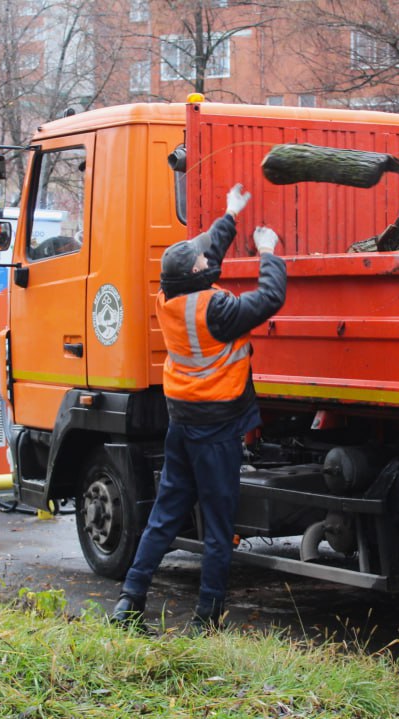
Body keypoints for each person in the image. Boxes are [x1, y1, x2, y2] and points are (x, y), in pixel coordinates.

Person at [111, 182, 286, 630]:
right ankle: (208, 616)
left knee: (165, 514)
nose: (208, 258)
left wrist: (229, 216)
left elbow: (204, 259)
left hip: (181, 421)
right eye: (202, 260)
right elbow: (269, 299)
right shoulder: (217, 309)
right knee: (218, 523)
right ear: (198, 275)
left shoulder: (168, 300)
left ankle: (129, 600)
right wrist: (269, 252)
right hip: (215, 428)